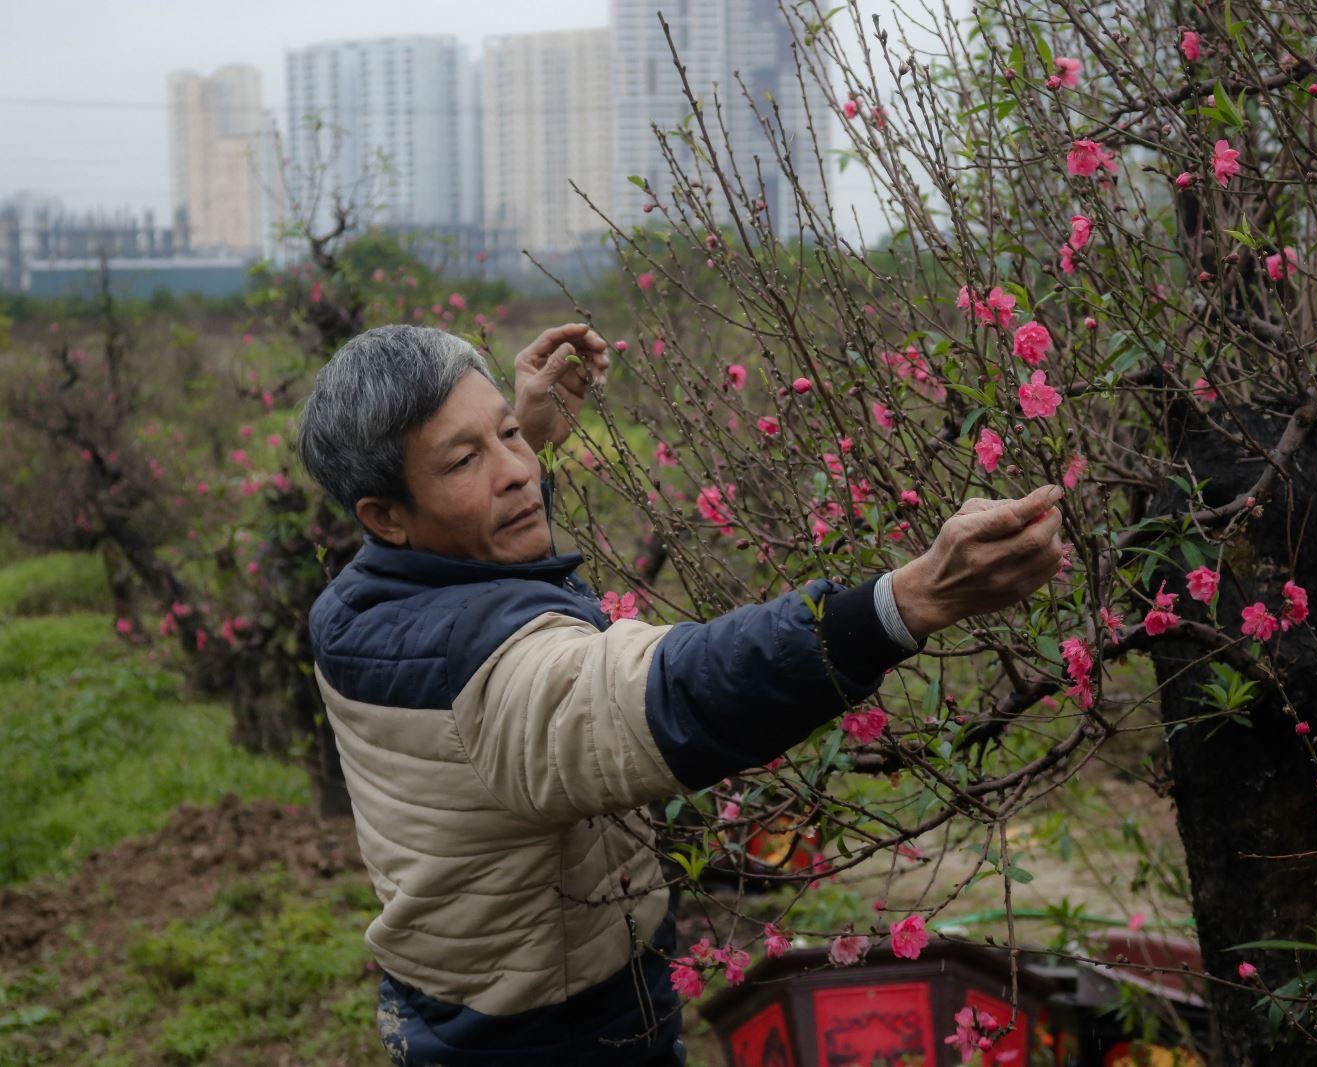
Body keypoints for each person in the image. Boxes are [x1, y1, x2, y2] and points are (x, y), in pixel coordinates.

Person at [296, 322, 1065, 1065]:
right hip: (558, 1038)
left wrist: (517, 436)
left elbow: (469, 574)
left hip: (450, 1008)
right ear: (385, 515)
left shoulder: (355, 606)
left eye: (507, 434)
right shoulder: (483, 672)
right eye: (465, 459)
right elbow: (673, 690)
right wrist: (907, 601)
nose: (519, 470)